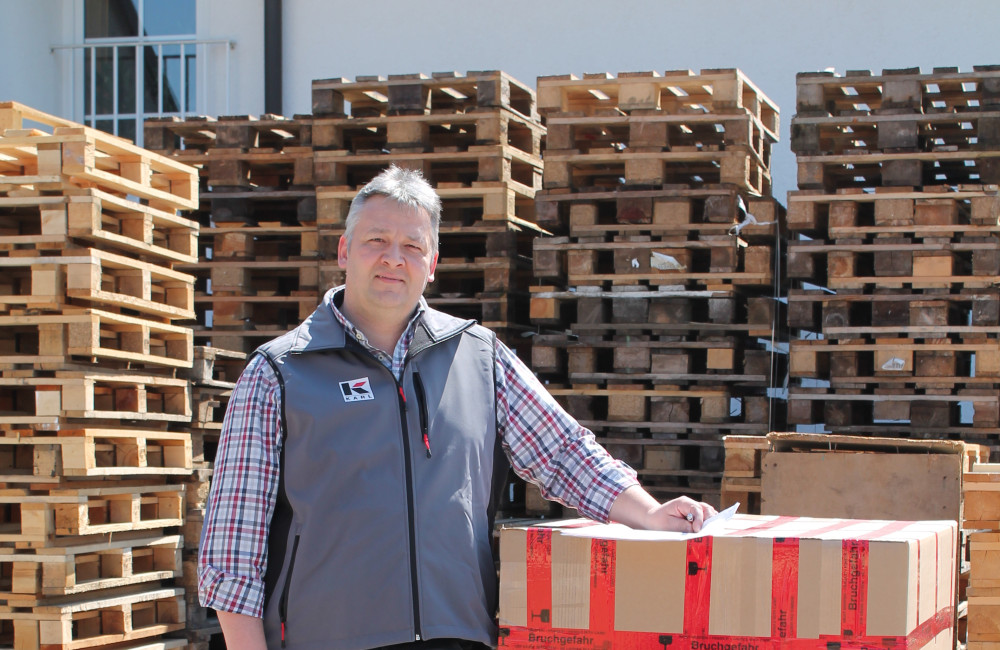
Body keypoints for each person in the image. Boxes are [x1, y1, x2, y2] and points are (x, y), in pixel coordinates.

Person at [198, 165, 717, 650]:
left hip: (458, 634)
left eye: (412, 245)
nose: (393, 258)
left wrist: (646, 510)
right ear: (343, 250)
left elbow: (561, 451)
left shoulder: (480, 355)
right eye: (376, 240)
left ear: (433, 264)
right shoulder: (279, 374)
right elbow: (232, 551)